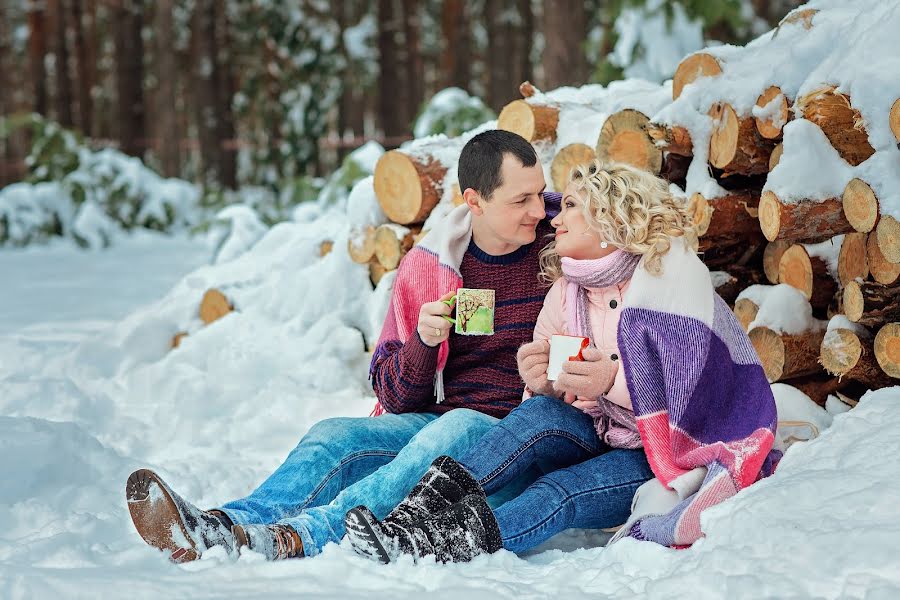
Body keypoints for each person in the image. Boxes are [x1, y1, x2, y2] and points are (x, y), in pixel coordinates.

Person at [123, 130, 562, 562]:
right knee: (333, 435)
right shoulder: (431, 267)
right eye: (520, 200)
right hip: (436, 424)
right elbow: (393, 395)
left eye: (540, 194)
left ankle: (299, 536)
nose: (537, 210)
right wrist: (423, 344)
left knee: (457, 427)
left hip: (514, 443)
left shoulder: (562, 248)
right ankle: (220, 529)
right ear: (474, 200)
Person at [345, 160, 783, 564]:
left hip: (660, 452)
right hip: (596, 427)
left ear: (610, 214)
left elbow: (697, 398)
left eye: (570, 205)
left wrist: (611, 379)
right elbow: (556, 386)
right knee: (536, 413)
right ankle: (410, 522)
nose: (554, 218)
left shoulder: (671, 280)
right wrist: (542, 380)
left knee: (559, 491)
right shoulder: (568, 289)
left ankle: (441, 545)